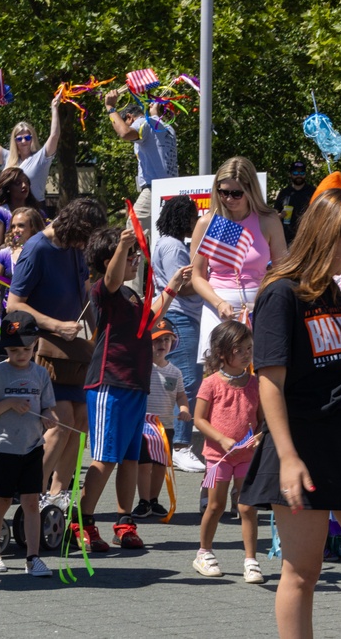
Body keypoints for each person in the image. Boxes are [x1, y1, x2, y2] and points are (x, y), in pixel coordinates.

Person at [238, 187, 341, 636]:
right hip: (303, 447)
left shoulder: (332, 290)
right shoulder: (281, 293)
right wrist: (288, 457)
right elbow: (270, 383)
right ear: (331, 236)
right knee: (302, 572)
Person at [77, 227, 189, 552]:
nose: (136, 259)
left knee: (128, 459)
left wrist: (173, 287)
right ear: (110, 259)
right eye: (130, 256)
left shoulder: (131, 295)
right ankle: (82, 522)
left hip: (135, 386)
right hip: (108, 383)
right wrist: (123, 243)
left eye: (135, 254)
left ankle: (124, 523)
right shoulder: (105, 290)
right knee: (105, 458)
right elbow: (110, 279)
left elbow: (150, 319)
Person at [6, 198, 106, 513]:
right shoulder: (36, 249)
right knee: (60, 424)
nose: (84, 246)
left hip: (73, 352)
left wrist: (99, 331)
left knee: (79, 423)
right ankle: (30, 496)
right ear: (73, 227)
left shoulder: (74, 249)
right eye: (83, 239)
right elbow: (14, 305)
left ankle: (59, 496)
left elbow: (86, 292)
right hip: (43, 349)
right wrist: (56, 325)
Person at [0, 311, 57, 577]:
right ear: (5, 349)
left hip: (33, 447)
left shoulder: (41, 374)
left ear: (35, 345)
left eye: (26, 349)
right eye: (13, 350)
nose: (21, 354)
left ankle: (32, 558)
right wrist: (9, 404)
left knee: (32, 502)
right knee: (0, 501)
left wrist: (49, 417)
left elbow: (49, 408)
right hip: (5, 448)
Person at [191, 156, 288, 362]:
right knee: (217, 379)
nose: (229, 198)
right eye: (223, 192)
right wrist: (218, 303)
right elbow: (197, 276)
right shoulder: (208, 222)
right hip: (218, 307)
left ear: (250, 190)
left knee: (259, 373)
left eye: (236, 193)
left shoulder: (268, 220)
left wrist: (267, 300)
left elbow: (282, 269)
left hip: (259, 306)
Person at [192, 321, 262, 583]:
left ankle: (251, 560)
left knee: (247, 507)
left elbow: (264, 419)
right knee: (216, 505)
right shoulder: (211, 383)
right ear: (222, 352)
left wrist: (261, 435)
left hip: (247, 457)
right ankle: (204, 552)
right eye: (240, 349)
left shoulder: (256, 383)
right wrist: (221, 439)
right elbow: (199, 419)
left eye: (250, 348)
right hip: (217, 457)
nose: (247, 353)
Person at [152, 195, 206, 473]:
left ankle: (176, 444)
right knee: (188, 383)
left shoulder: (168, 244)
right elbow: (182, 286)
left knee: (183, 381)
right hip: (181, 317)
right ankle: (181, 447)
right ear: (182, 218)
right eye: (192, 216)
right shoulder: (173, 247)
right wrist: (206, 280)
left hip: (180, 317)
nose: (195, 222)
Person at [132, 318, 191, 519]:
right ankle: (143, 500)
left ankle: (154, 499)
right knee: (144, 463)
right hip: (143, 425)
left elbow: (181, 395)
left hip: (165, 425)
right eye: (157, 340)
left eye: (167, 340)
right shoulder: (141, 367)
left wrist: (184, 408)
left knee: (160, 465)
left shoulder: (175, 372)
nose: (162, 344)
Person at [103, 90, 178, 243]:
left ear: (129, 117)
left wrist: (110, 107)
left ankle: (129, 267)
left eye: (124, 121)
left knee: (132, 233)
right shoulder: (167, 127)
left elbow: (124, 133)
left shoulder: (143, 123)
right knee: (161, 238)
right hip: (172, 190)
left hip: (154, 189)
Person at [0, 91, 62, 203]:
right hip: (10, 208)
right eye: (19, 139)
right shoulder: (7, 157)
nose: (23, 141)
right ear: (14, 141)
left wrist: (54, 108)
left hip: (34, 208)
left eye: (27, 138)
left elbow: (54, 136)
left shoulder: (41, 157)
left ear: (32, 138)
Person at [0, 168, 42, 254]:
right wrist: (20, 242)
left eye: (26, 182)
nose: (24, 185)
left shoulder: (38, 212)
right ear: (8, 188)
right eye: (18, 183)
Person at [0, 207, 44, 288]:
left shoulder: (45, 252)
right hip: (10, 300)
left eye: (21, 225)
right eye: (13, 226)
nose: (15, 230)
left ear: (33, 226)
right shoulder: (5, 254)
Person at [274, 160, 315, 245]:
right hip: (287, 241)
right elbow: (274, 215)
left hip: (307, 240)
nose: (299, 175)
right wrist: (281, 216)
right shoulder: (284, 193)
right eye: (295, 172)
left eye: (302, 172)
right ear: (290, 174)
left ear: (305, 174)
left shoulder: (313, 192)